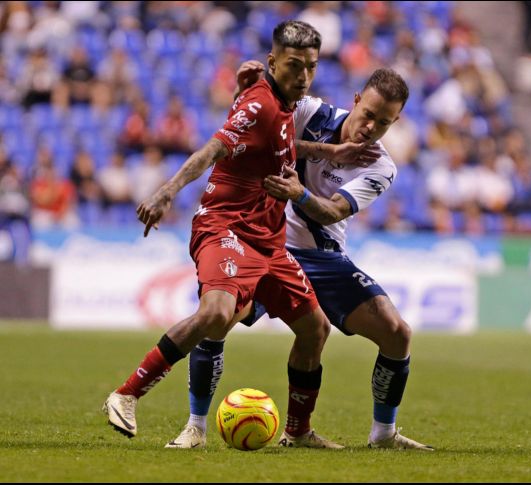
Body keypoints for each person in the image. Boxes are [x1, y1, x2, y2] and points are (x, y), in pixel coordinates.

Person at [103, 20, 345, 450]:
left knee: (315, 329)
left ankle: (299, 431)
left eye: (311, 66)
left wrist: (330, 152)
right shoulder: (259, 104)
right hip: (226, 226)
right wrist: (165, 193)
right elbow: (213, 149)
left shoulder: (286, 102)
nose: (304, 76)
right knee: (216, 313)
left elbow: (283, 147)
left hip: (268, 239)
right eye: (294, 66)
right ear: (274, 61)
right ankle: (126, 394)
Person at [165, 64, 434, 451]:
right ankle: (196, 427)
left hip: (322, 256)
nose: (371, 128)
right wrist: (254, 82)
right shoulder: (311, 112)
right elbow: (260, 125)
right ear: (356, 100)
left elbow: (332, 211)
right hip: (261, 243)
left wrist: (298, 194)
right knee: (218, 318)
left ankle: (372, 434)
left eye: (384, 123)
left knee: (397, 333)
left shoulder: (381, 165)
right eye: (369, 115)